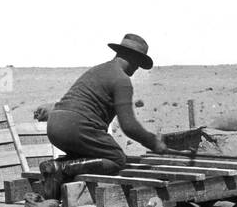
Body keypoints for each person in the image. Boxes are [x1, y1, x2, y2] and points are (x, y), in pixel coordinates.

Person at [38, 33, 167, 172]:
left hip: (54, 127)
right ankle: (61, 167)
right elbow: (129, 126)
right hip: (76, 128)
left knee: (88, 155)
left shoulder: (98, 69)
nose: (137, 68)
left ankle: (52, 167)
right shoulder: (121, 80)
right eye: (138, 63)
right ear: (133, 58)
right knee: (117, 159)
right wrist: (153, 142)